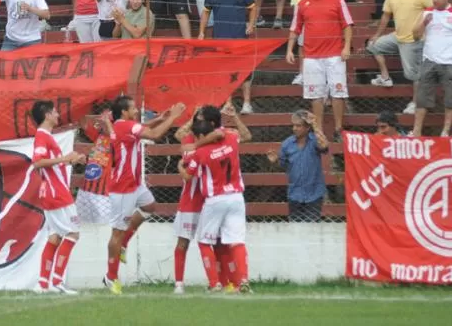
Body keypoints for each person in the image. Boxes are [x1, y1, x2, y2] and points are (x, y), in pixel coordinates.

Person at [103, 97, 184, 294]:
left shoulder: (122, 125)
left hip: (135, 185)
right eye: (133, 108)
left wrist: (159, 118)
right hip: (123, 188)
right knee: (117, 232)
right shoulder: (124, 126)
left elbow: (143, 126)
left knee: (149, 207)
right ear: (124, 112)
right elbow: (154, 135)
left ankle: (124, 243)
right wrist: (173, 117)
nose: (136, 110)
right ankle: (110, 277)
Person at [179, 105, 250, 292]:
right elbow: (234, 134)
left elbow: (187, 176)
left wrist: (180, 165)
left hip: (215, 199)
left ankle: (214, 283)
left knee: (204, 241)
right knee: (236, 241)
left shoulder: (200, 153)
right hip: (236, 197)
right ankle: (243, 280)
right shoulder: (232, 139)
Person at [287, 0, 353, 135]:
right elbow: (295, 29)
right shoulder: (302, 4)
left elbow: (347, 26)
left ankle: (338, 128)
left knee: (338, 92)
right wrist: (289, 49)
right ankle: (319, 130)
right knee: (315, 94)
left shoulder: (338, 1)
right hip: (311, 57)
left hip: (335, 55)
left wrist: (346, 47)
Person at [30, 100, 84, 294]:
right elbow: (38, 163)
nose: (57, 115)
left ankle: (43, 284)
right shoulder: (42, 136)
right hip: (57, 193)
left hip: (52, 192)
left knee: (55, 237)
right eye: (54, 111)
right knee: (73, 233)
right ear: (46, 115)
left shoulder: (47, 137)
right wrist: (64, 158)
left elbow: (52, 166)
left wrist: (71, 160)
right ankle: (57, 282)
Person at [367, 0, 433, 115]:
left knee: (414, 74)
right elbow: (385, 16)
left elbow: (435, 10)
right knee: (373, 45)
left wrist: (425, 28)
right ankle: (385, 77)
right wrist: (377, 35)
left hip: (413, 40)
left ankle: (415, 103)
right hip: (397, 36)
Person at [198, 0, 257, 112]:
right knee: (224, 71)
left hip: (240, 38)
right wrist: (201, 32)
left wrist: (251, 25)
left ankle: (246, 103)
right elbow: (205, 12)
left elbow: (253, 8)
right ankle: (228, 103)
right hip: (220, 38)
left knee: (244, 70)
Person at [266, 110, 329, 222]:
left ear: (307, 128)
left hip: (314, 194)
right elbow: (282, 166)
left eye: (298, 126)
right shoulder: (287, 144)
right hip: (294, 194)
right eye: (293, 125)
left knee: (311, 231)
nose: (294, 128)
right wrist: (274, 161)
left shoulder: (314, 140)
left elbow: (324, 145)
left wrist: (314, 123)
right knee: (295, 231)